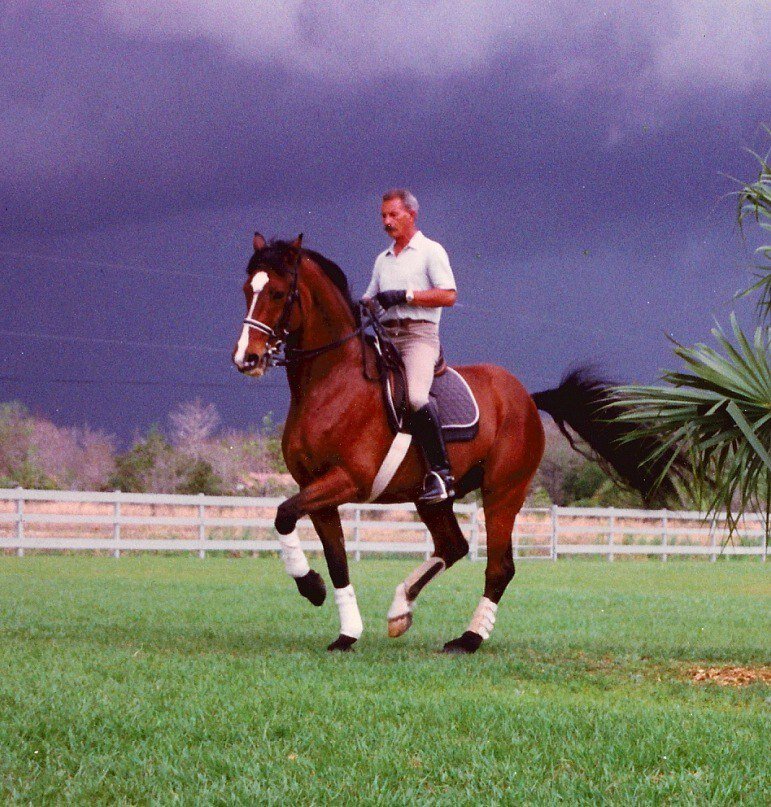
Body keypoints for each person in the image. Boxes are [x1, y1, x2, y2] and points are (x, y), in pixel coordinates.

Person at [362, 189, 457, 504]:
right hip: (386, 336)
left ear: (411, 215)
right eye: (383, 216)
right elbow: (371, 297)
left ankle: (442, 473)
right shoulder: (382, 259)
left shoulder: (431, 251)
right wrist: (362, 304)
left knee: (416, 396)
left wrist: (406, 296)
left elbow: (448, 295)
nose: (387, 222)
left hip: (419, 335)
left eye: (393, 215)